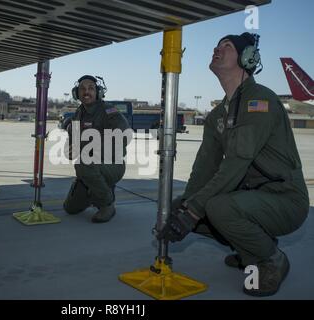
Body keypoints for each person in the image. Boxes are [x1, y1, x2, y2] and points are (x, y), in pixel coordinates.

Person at [158, 32, 309, 297]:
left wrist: (193, 211)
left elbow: (236, 164)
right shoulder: (218, 114)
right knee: (182, 205)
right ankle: (250, 248)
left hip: (284, 199)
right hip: (253, 199)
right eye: (215, 46)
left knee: (215, 207)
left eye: (226, 47)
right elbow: (205, 167)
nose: (216, 50)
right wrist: (185, 206)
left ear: (247, 58)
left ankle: (270, 258)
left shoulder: (259, 102)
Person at [63, 75, 131, 223]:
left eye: (91, 88)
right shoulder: (78, 113)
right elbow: (73, 147)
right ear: (77, 93)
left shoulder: (108, 111)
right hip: (90, 165)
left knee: (83, 163)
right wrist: (70, 143)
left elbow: (124, 135)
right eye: (82, 89)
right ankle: (95, 191)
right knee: (70, 208)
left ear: (98, 92)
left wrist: (92, 147)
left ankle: (107, 204)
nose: (86, 92)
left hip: (112, 164)